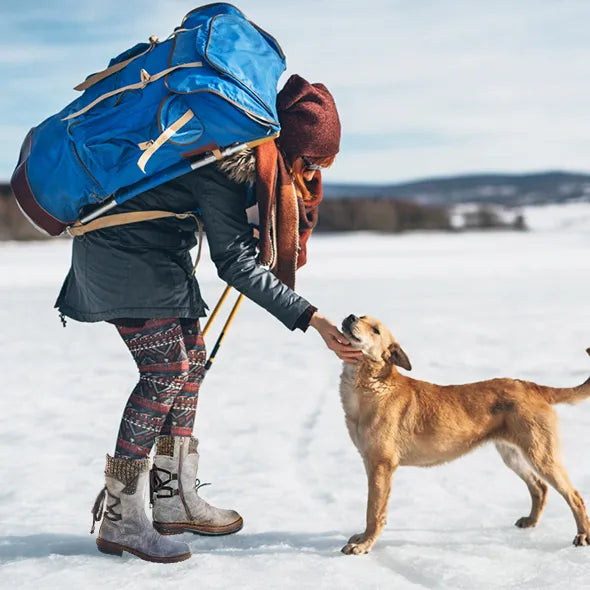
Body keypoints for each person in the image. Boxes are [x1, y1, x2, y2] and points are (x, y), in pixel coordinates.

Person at [56, 74, 361, 563]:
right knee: (165, 372)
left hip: (155, 253)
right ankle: (121, 519)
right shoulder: (224, 160)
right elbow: (235, 263)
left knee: (190, 362)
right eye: (311, 161)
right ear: (289, 144)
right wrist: (314, 320)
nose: (310, 174)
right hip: (122, 255)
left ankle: (173, 497)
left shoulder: (235, 152)